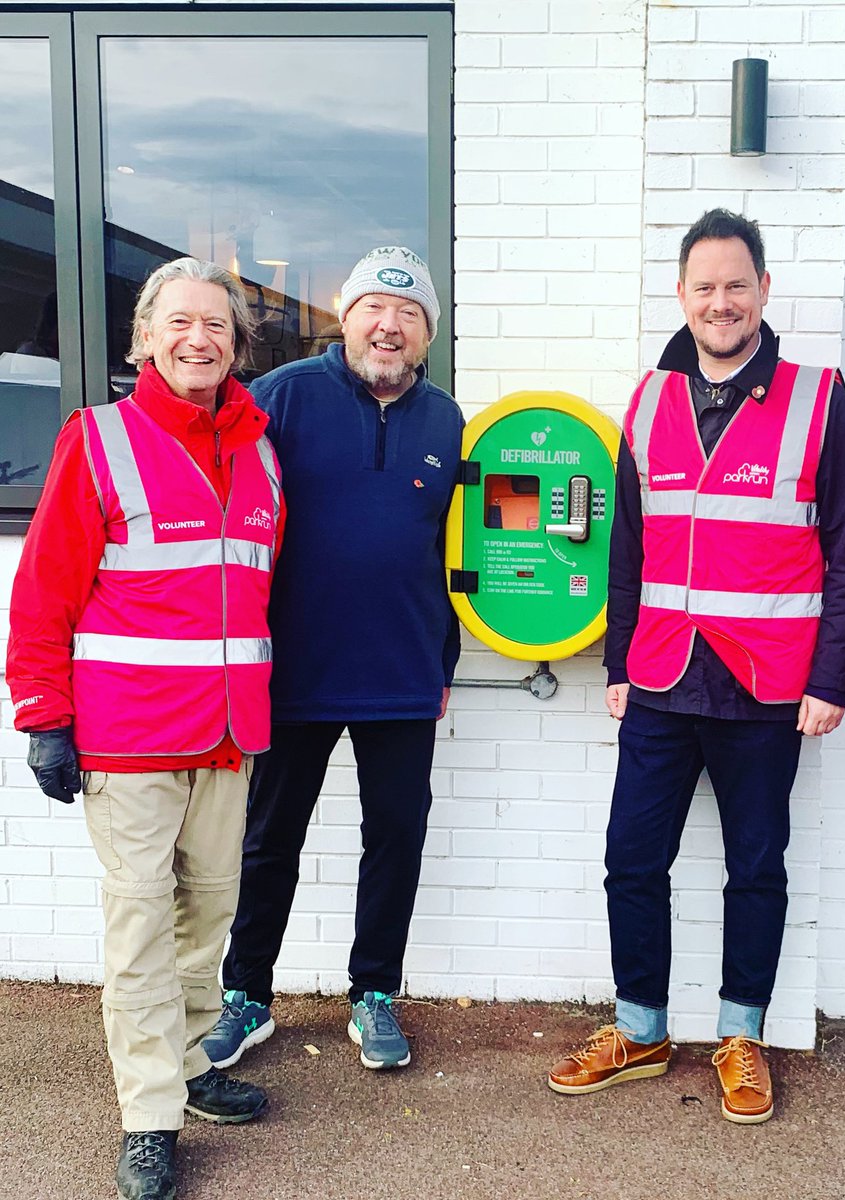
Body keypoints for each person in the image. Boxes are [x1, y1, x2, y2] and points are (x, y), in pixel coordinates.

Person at [548, 209, 845, 1123]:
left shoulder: (820, 399)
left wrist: (832, 680)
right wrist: (618, 660)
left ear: (764, 292)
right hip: (660, 674)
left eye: (737, 284)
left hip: (770, 683)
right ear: (683, 297)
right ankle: (641, 1028)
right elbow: (628, 545)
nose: (721, 302)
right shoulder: (650, 399)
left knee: (756, 867)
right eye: (705, 287)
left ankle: (742, 1035)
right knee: (630, 859)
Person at [7, 257, 282, 1200]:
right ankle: (149, 1116)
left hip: (228, 734)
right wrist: (44, 714)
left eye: (218, 324)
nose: (198, 337)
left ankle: (196, 1068)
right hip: (127, 740)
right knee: (139, 931)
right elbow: (44, 588)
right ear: (146, 337)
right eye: (180, 322)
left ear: (238, 345)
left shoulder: (262, 450)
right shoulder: (101, 441)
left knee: (207, 913)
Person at [203, 247, 463, 1074]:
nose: (389, 327)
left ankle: (374, 993)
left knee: (396, 834)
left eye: (409, 315)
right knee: (270, 836)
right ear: (344, 316)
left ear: (426, 334)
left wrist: (444, 664)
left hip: (403, 670)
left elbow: (456, 553)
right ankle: (246, 993)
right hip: (293, 671)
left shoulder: (449, 423)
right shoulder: (280, 399)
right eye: (374, 311)